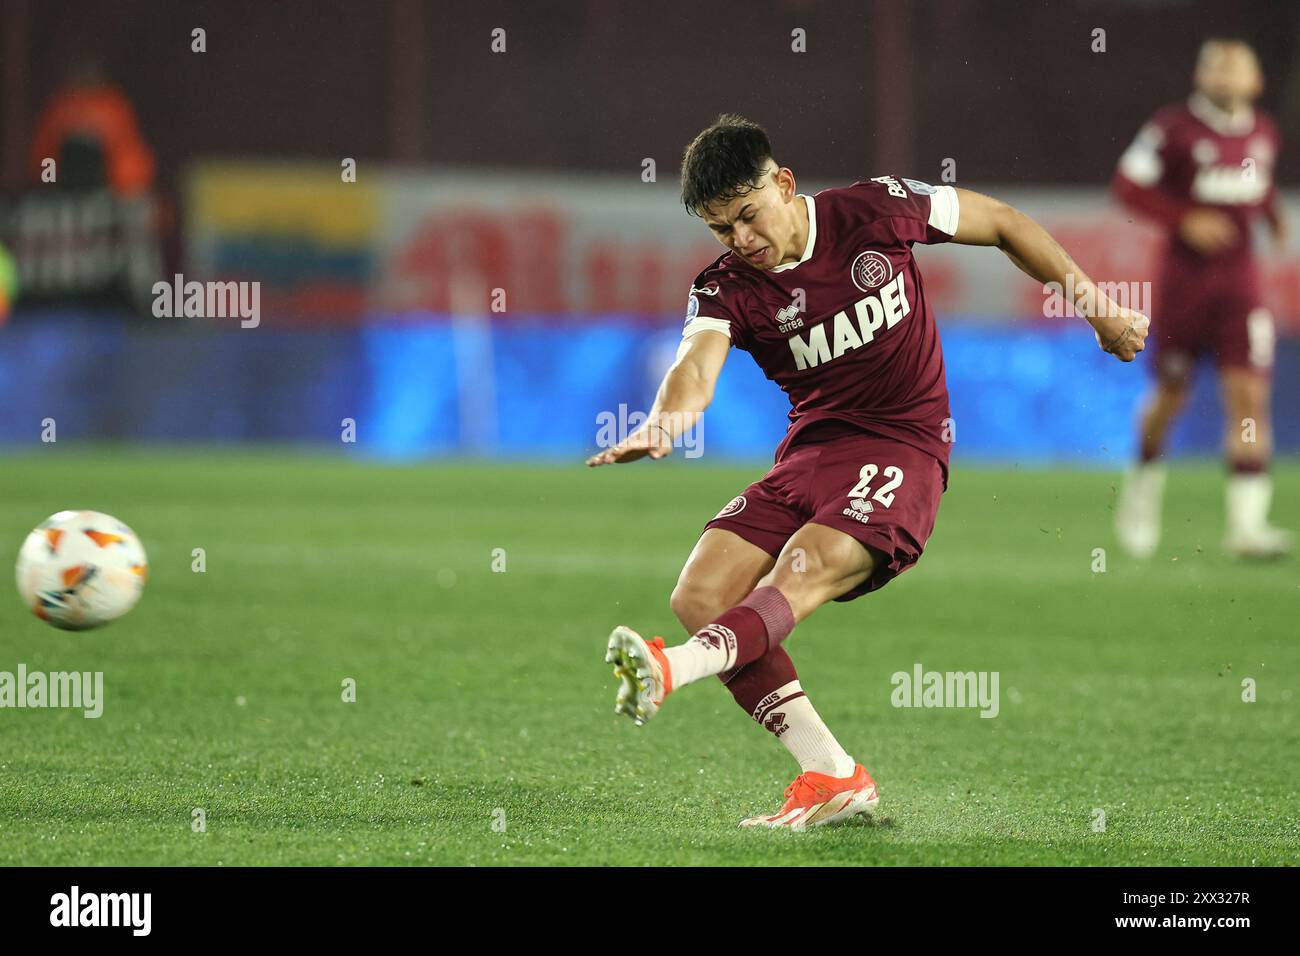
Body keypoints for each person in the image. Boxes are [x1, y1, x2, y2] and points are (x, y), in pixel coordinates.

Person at [586, 114, 1148, 829]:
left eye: (749, 216)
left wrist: (1096, 308)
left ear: (783, 184)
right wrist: (666, 422)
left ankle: (670, 672)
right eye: (722, 229)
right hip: (812, 453)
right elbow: (694, 366)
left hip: (904, 446)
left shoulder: (875, 209)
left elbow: (1003, 222)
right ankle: (831, 775)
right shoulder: (725, 286)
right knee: (700, 592)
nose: (742, 241)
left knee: (804, 566)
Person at [1112, 38, 1290, 559]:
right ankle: (1141, 491)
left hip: (1241, 288)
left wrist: (1274, 214)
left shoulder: (1264, 132)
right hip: (1184, 287)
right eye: (1218, 66)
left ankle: (1247, 528)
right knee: (1170, 398)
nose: (1228, 75)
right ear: (1201, 75)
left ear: (1256, 81)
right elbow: (1127, 185)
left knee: (1250, 399)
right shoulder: (1172, 129)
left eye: (1238, 67)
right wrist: (1183, 219)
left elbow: (1259, 188)